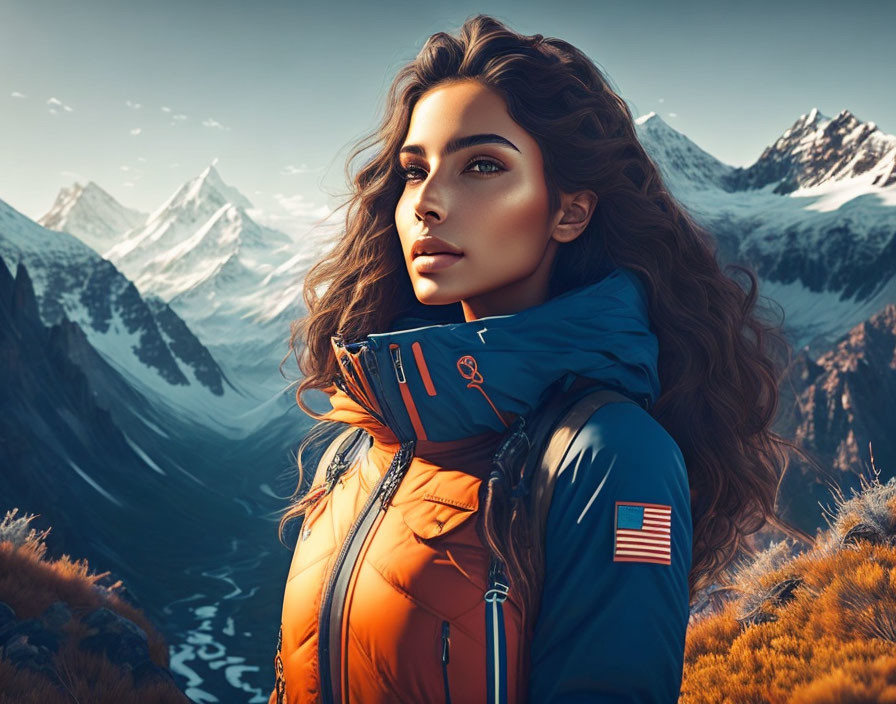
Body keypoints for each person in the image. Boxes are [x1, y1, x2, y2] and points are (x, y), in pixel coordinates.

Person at [269, 14, 809, 704]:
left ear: (569, 212)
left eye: (483, 165)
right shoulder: (364, 439)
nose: (428, 203)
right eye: (414, 171)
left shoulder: (613, 456)